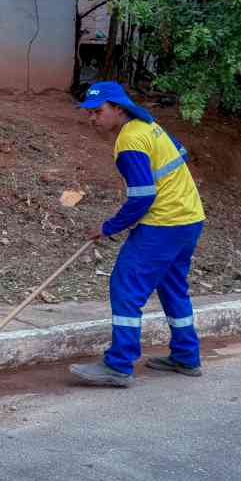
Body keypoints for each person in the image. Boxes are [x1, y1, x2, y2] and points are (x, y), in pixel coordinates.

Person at [69, 81, 207, 387]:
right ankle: (186, 356)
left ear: (118, 108)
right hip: (190, 217)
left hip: (164, 224)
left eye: (98, 111)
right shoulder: (149, 126)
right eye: (89, 113)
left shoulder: (129, 142)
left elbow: (143, 197)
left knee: (125, 287)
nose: (93, 119)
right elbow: (180, 152)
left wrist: (108, 227)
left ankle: (118, 365)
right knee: (172, 288)